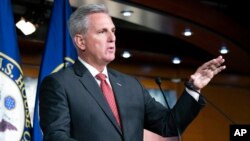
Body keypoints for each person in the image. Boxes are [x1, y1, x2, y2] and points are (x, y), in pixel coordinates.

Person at [39, 4, 226, 141]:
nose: (112, 38)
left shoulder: (131, 85)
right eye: (103, 32)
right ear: (80, 42)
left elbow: (169, 125)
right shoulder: (59, 83)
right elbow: (56, 137)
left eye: (113, 31)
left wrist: (193, 88)